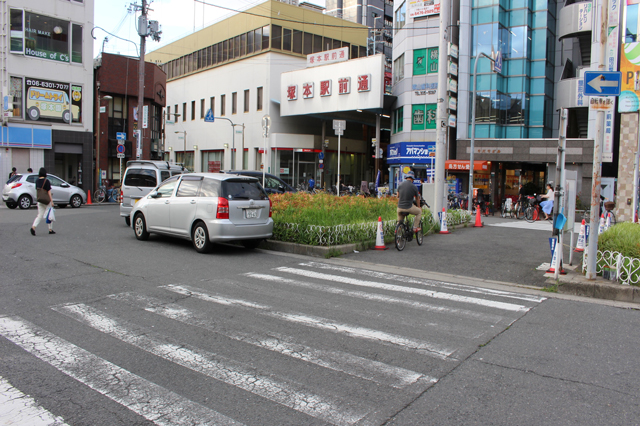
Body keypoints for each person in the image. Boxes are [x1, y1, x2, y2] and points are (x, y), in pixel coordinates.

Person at [31, 168, 55, 236]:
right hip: (46, 201)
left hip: (40, 200)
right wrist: (51, 201)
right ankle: (50, 229)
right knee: (50, 215)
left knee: (39, 215)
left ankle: (33, 227)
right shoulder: (46, 181)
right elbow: (49, 192)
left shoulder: (37, 181)